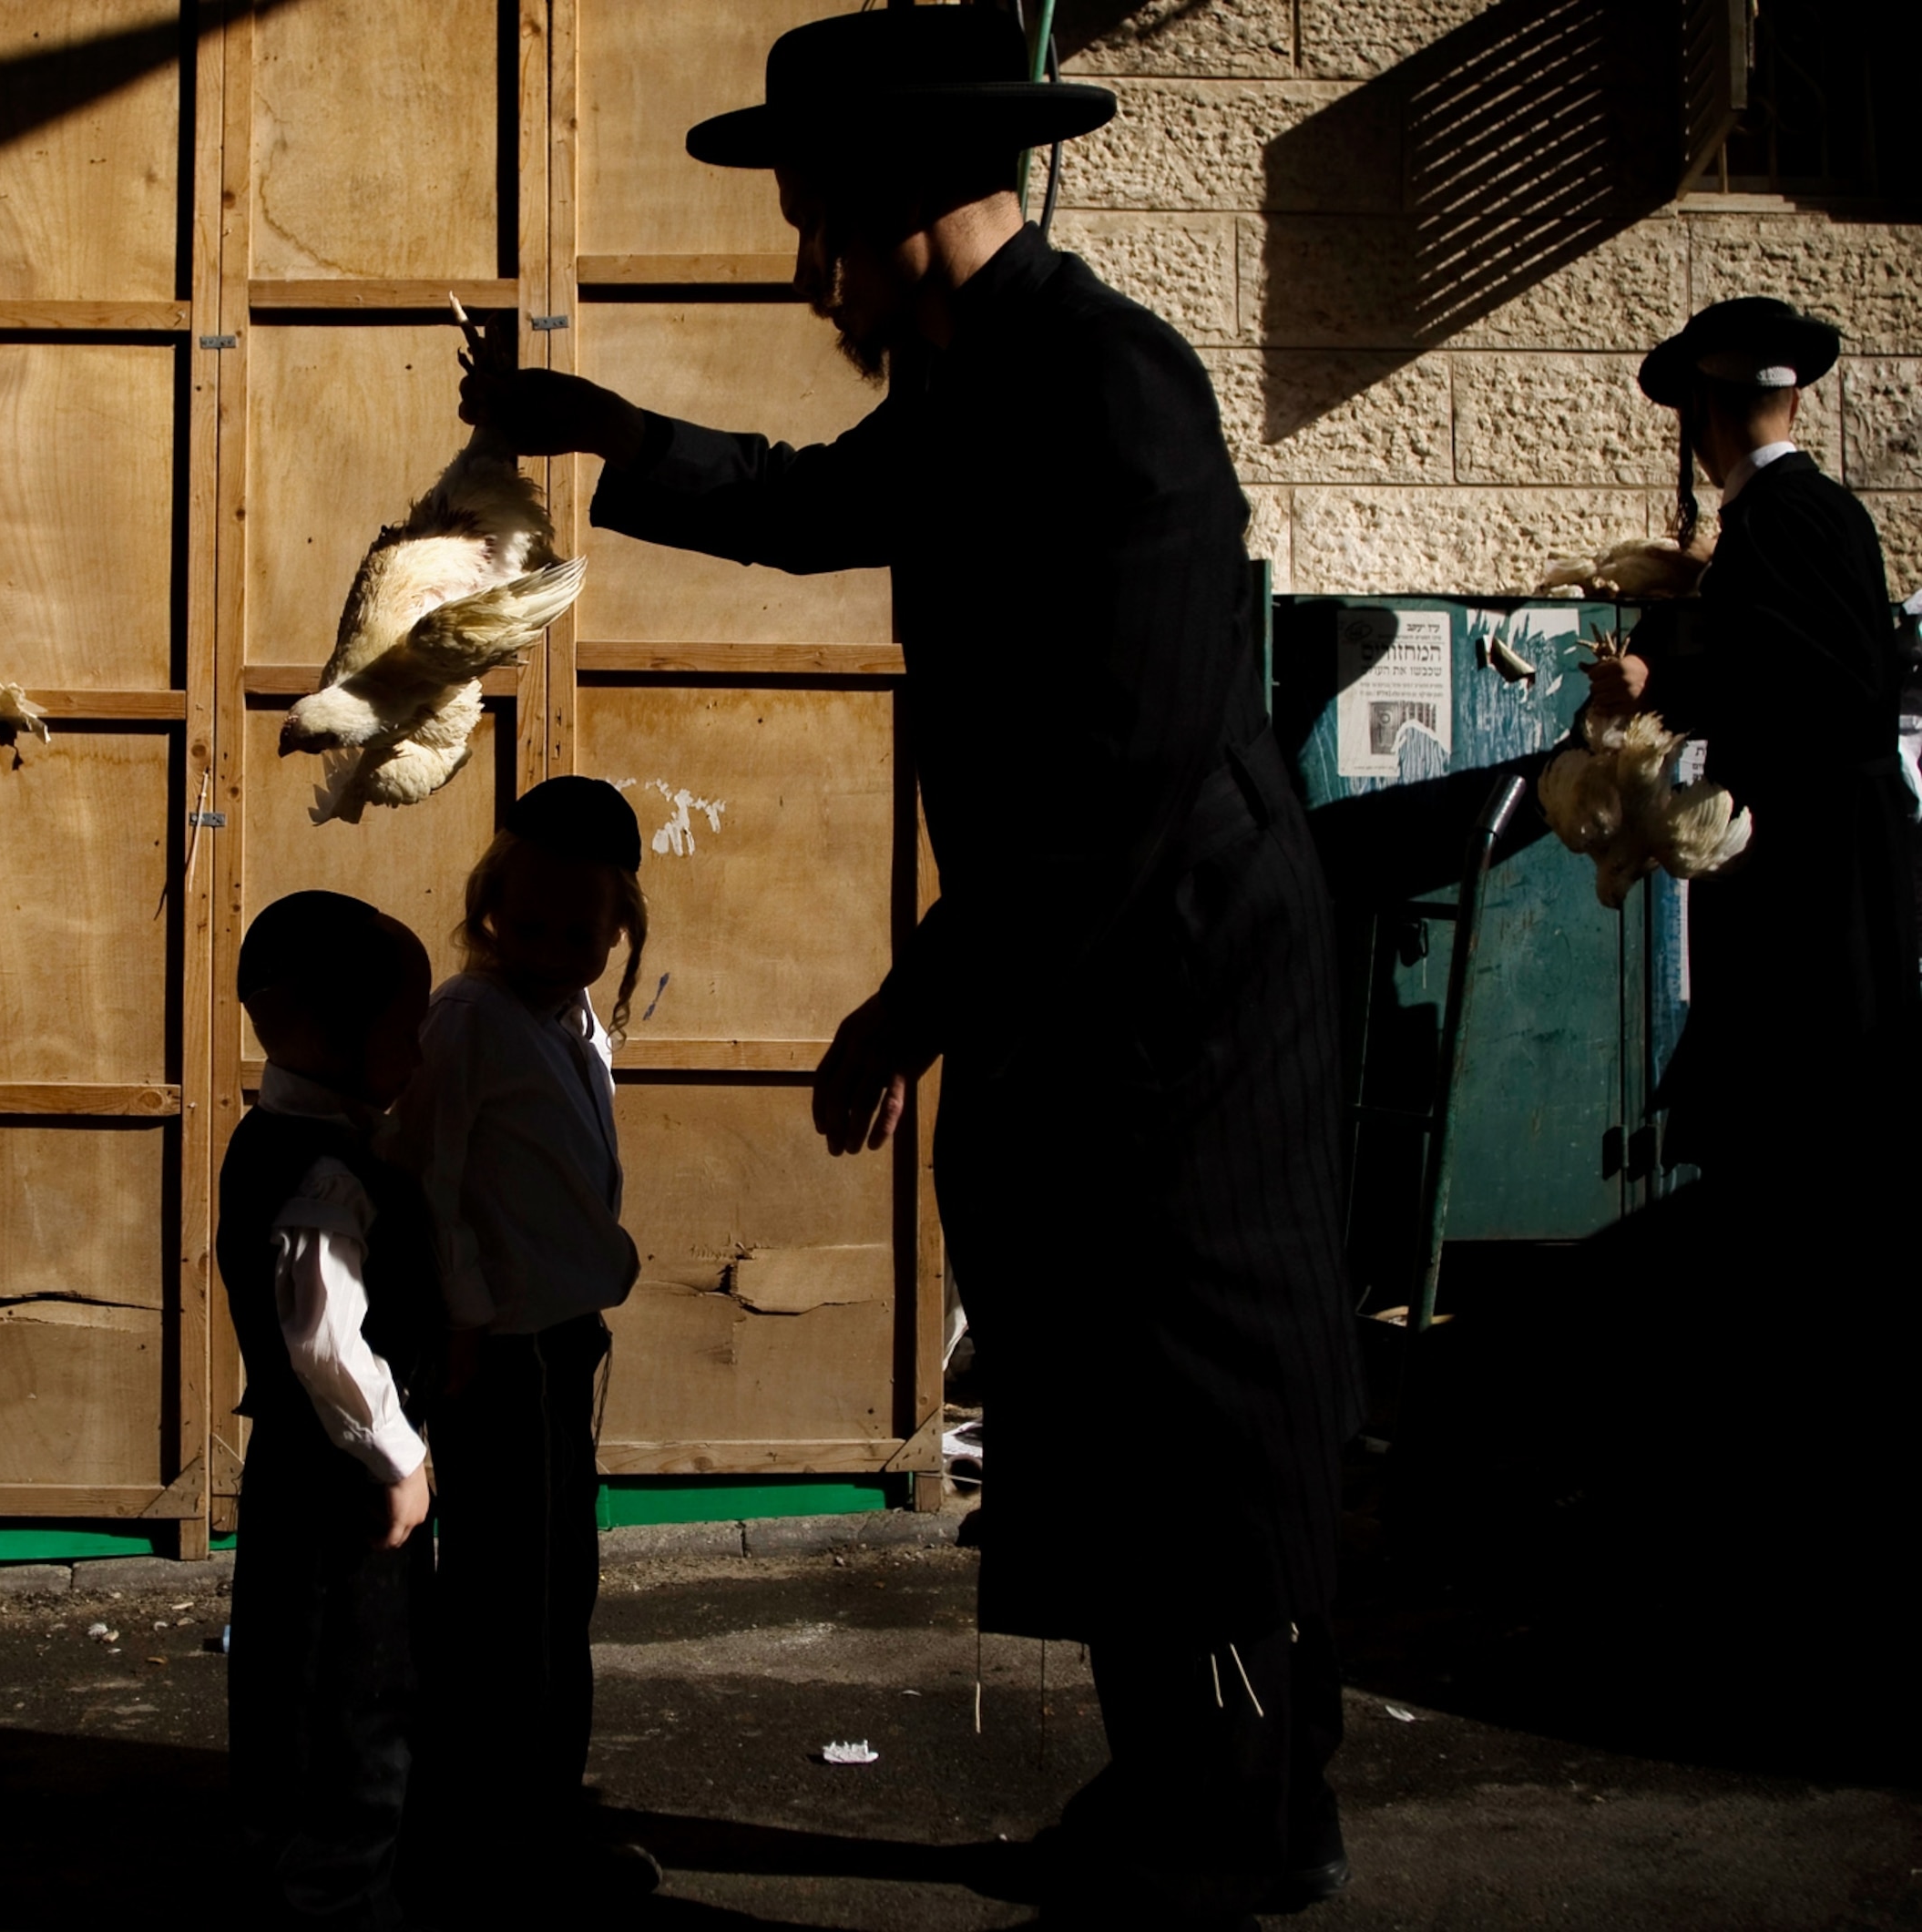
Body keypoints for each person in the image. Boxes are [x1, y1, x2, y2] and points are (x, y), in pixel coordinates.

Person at [458, 11, 1360, 1927]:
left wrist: (911, 1003)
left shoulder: (1109, 382)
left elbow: (1118, 775)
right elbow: (807, 502)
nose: (812, 274)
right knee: (1108, 1390)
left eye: (820, 229)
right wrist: (604, 432)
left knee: (1202, 1411)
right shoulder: (976, 380)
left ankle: (1247, 1811)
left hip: (1180, 983)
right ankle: (1193, 1785)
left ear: (911, 208)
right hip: (1079, 967)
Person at [390, 776, 658, 1912]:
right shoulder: (470, 1021)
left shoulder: (573, 1022)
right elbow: (428, 1179)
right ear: (488, 910)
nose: (550, 950)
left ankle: (502, 1814)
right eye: (527, 925)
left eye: (579, 933)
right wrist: (460, 1316)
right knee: (525, 1601)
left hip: (561, 1344)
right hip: (506, 1350)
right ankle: (517, 1834)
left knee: (545, 1586)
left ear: (619, 930)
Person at [1588, 295, 1920, 1188]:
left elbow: (1815, 681)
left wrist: (1667, 689)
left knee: (1798, 1133)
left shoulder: (1776, 518)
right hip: (1834, 868)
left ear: (1700, 414)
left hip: (1810, 888)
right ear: (1796, 400)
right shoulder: (1822, 511)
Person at [220, 890, 444, 1930]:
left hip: (295, 1470)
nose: (423, 1046)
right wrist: (397, 1457)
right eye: (407, 1027)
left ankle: (281, 1857)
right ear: (327, 1036)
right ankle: (337, 1893)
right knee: (359, 1685)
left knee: (286, 1670)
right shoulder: (326, 1173)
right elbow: (324, 1337)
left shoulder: (290, 1136)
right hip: (341, 1485)